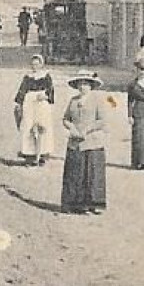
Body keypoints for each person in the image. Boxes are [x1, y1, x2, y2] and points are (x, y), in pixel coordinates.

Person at [60, 72, 109, 214]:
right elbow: (65, 119)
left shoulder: (97, 100)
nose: (83, 87)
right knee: (75, 173)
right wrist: (71, 128)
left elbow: (102, 120)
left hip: (92, 142)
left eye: (86, 84)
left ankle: (93, 204)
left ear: (91, 86)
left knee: (92, 174)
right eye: (80, 84)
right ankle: (75, 204)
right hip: (75, 142)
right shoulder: (73, 101)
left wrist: (88, 129)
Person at [13, 54, 57, 166]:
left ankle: (41, 154)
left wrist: (46, 96)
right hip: (29, 103)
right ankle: (30, 154)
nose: (35, 66)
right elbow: (22, 91)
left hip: (42, 103)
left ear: (41, 65)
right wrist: (19, 104)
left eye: (37, 64)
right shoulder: (27, 77)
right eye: (33, 64)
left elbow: (51, 91)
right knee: (29, 126)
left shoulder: (46, 76)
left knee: (42, 127)